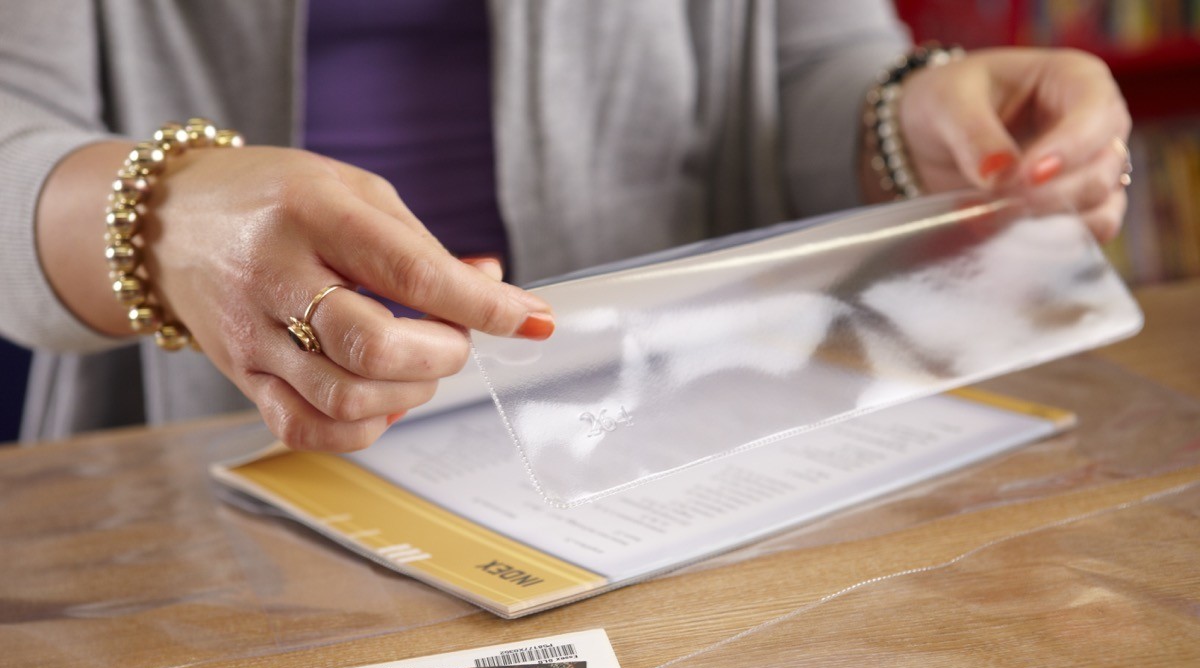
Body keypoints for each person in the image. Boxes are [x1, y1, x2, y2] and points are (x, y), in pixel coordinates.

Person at [0, 1, 1131, 451]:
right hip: (219, 454)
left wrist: (907, 116)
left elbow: (805, 53)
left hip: (685, 428)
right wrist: (159, 212)